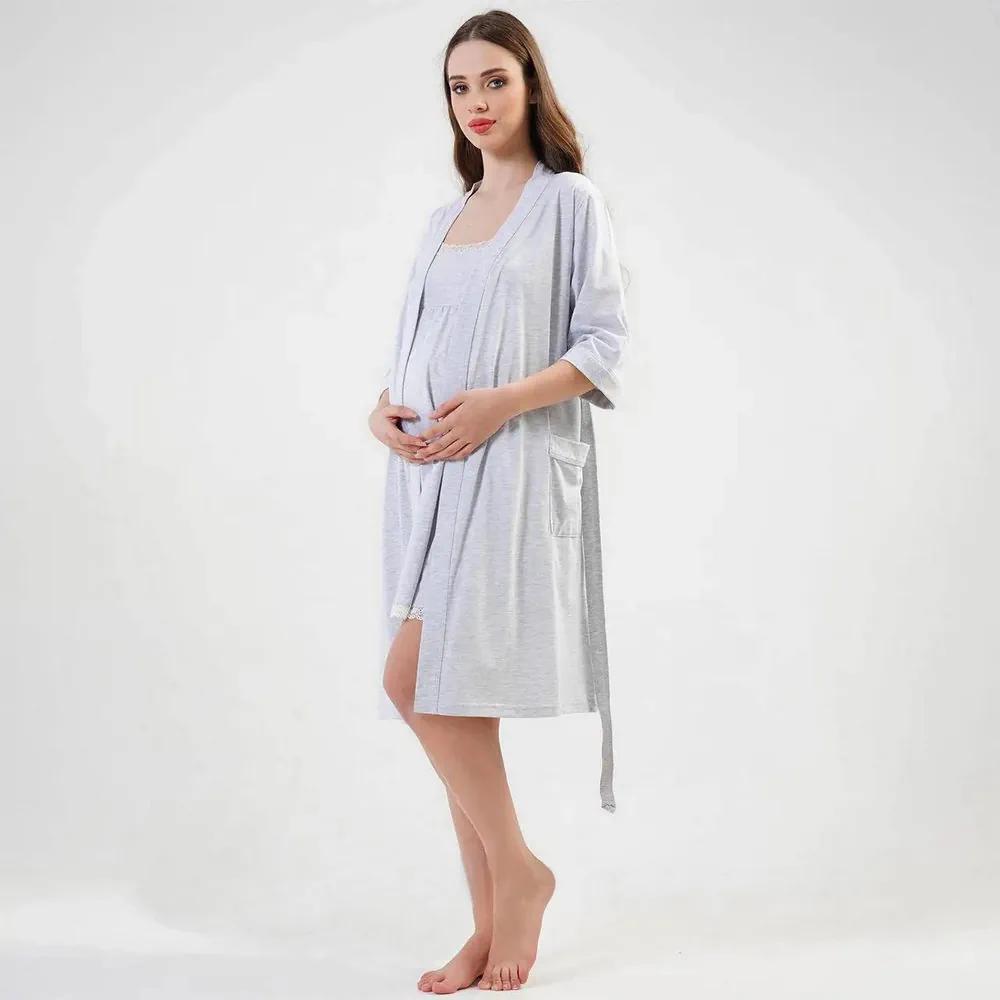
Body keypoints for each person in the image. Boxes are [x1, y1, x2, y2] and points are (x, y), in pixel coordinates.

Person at [367, 10, 629, 993]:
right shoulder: (446, 217)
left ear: (529, 85)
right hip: (427, 476)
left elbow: (603, 343)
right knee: (443, 696)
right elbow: (416, 346)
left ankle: (520, 873)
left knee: (416, 681)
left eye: (493, 82)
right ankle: (486, 924)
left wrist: (499, 404)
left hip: (509, 469)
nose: (475, 103)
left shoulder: (568, 203)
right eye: (458, 87)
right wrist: (381, 411)